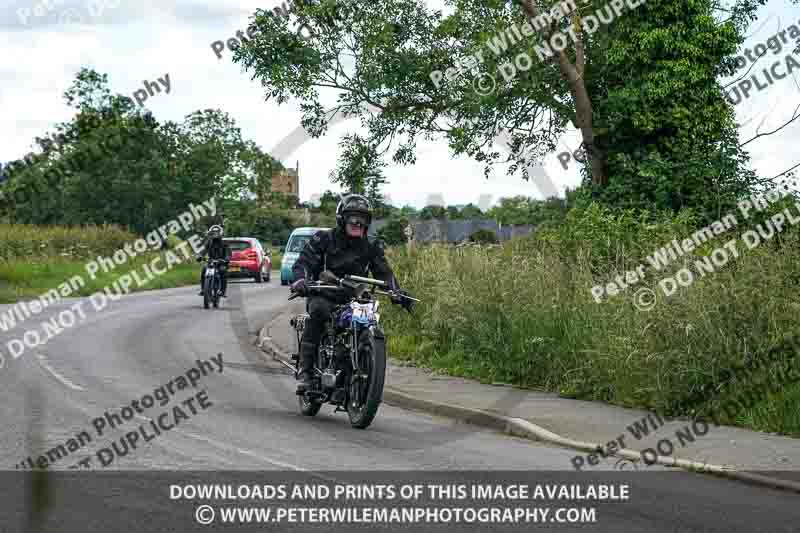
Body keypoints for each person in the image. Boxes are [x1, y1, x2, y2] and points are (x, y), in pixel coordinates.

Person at [290, 193, 411, 393]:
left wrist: (395, 291)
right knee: (318, 312)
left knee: (369, 320)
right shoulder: (324, 239)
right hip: (324, 293)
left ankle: (359, 366)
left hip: (354, 298)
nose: (358, 222)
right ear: (342, 218)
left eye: (363, 218)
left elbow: (384, 272)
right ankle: (306, 371)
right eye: (353, 217)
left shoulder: (371, 246)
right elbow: (303, 262)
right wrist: (301, 280)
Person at [197, 225, 231, 297]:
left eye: (217, 233)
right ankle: (203, 289)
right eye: (213, 233)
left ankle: (222, 291)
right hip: (211, 261)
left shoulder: (225, 243)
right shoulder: (209, 242)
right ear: (211, 233)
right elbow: (204, 250)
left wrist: (226, 259)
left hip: (221, 262)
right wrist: (200, 256)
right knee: (204, 270)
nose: (215, 234)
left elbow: (228, 252)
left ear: (220, 233)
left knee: (223, 272)